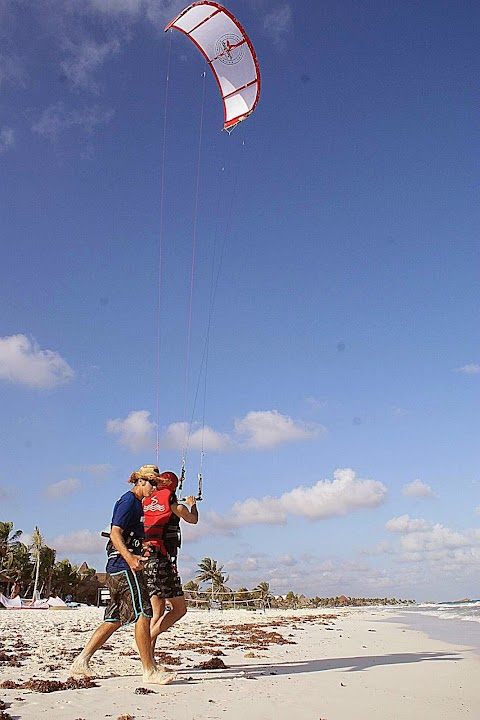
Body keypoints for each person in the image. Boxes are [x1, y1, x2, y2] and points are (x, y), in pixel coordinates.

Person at [70, 468, 175, 685]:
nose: (155, 489)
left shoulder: (137, 504)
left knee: (114, 619)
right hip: (123, 566)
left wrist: (142, 545)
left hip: (118, 566)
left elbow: (128, 534)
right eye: (152, 484)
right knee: (144, 613)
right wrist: (130, 558)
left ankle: (81, 660)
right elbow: (115, 532)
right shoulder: (129, 502)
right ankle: (149, 670)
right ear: (141, 481)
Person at [140, 466, 198, 650]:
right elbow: (193, 519)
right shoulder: (174, 504)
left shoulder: (146, 501)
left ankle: (149, 657)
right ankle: (143, 640)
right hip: (162, 561)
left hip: (145, 559)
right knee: (178, 610)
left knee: (157, 611)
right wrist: (192, 504)